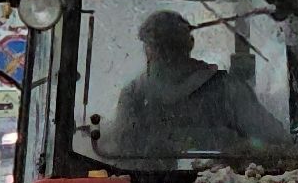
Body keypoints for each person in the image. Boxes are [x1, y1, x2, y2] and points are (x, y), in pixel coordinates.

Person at [107, 9, 287, 155]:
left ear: (148, 50)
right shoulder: (227, 89)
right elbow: (276, 142)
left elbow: (119, 151)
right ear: (190, 44)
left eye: (151, 46)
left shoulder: (133, 94)